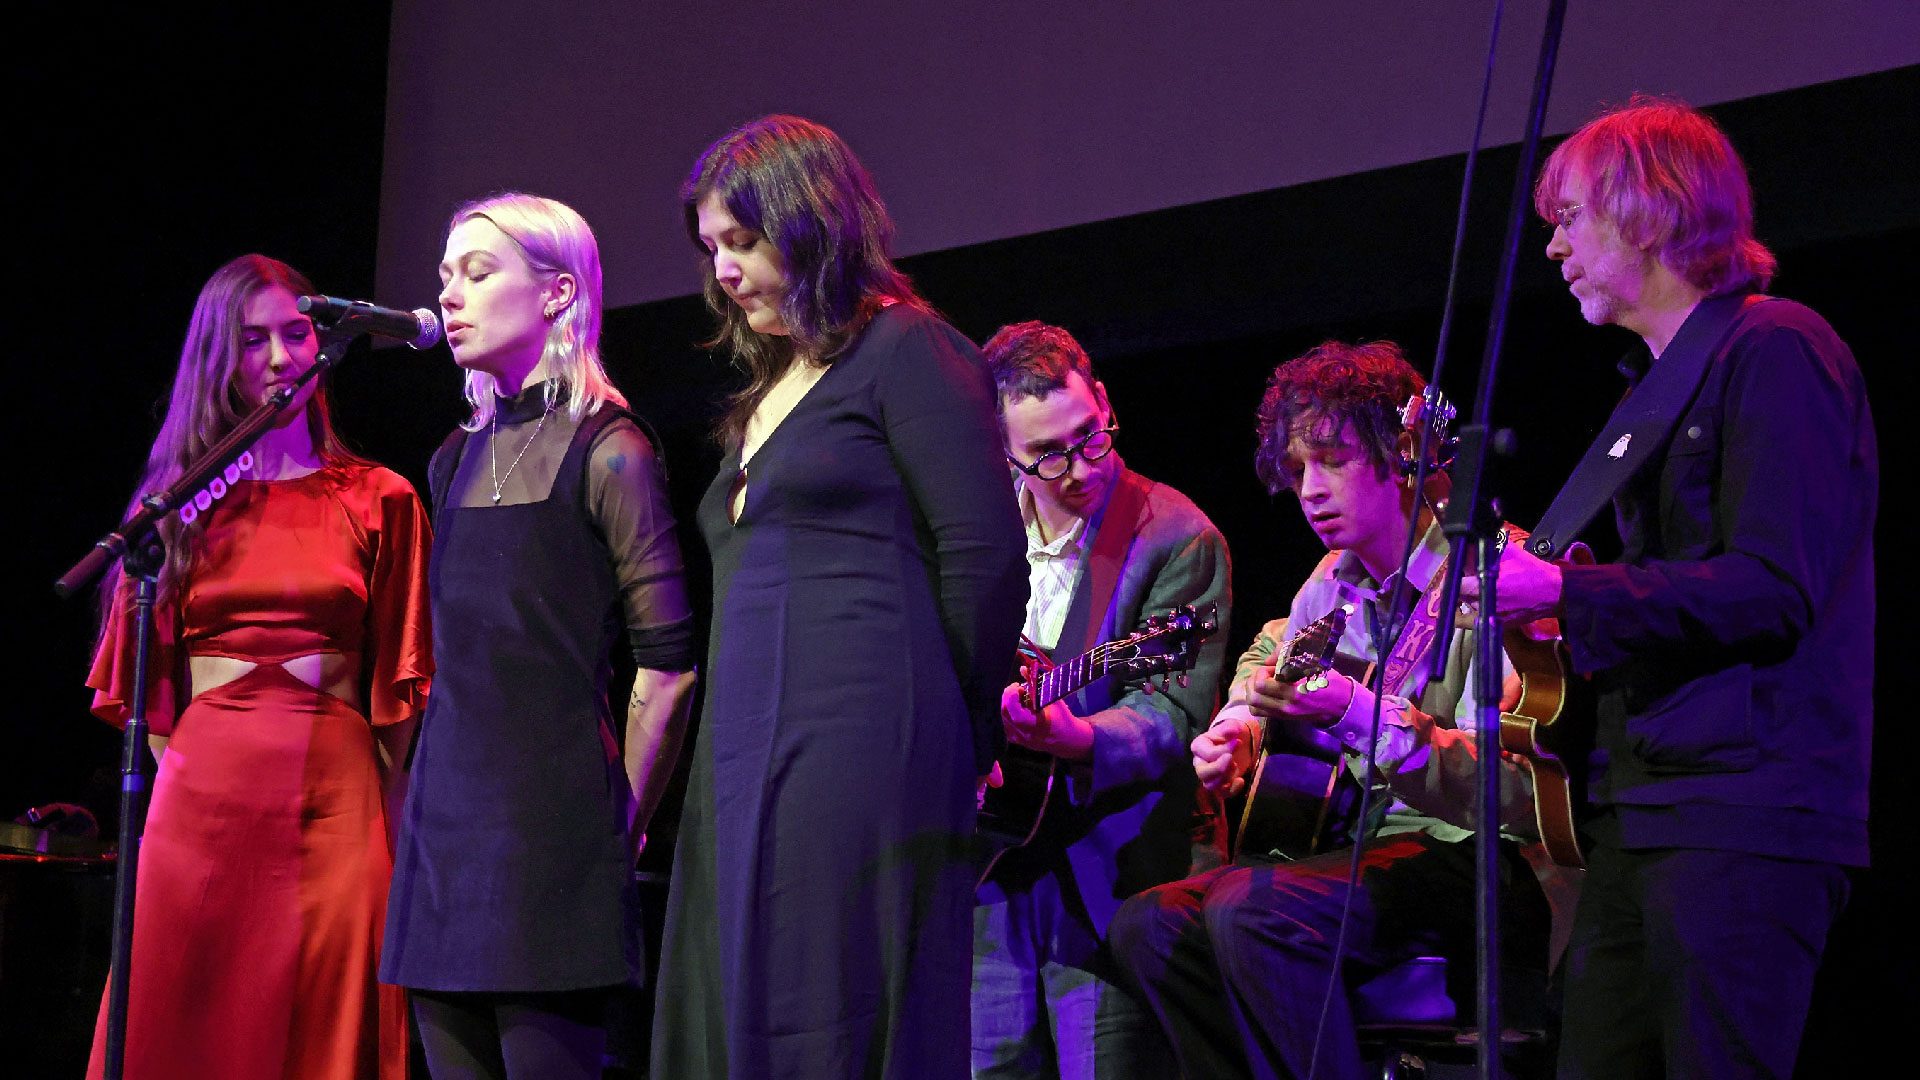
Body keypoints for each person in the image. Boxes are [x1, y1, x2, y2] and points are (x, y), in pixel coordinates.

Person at [1464, 96, 1876, 1080]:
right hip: (1645, 808)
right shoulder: (1648, 391)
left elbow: (1774, 585)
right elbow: (1662, 599)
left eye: (1567, 219)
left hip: (1747, 809)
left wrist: (1566, 597)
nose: (1552, 249)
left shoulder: (1776, 348)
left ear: (1648, 208)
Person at [650, 115, 1029, 1080]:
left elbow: (983, 559)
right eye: (712, 249)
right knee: (734, 988)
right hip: (745, 742)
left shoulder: (911, 351)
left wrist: (962, 728)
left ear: (813, 224)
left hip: (864, 735)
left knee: (830, 992)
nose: (726, 271)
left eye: (744, 241)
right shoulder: (774, 384)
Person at [1107, 341, 1551, 1080]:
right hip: (1375, 850)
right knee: (1148, 925)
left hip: (1486, 861)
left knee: (1254, 911)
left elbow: (1512, 797)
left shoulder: (1499, 576)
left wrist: (1354, 711)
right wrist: (1241, 727)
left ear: (1405, 455)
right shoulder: (1333, 582)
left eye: (1333, 461)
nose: (1309, 490)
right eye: (1298, 468)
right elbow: (1273, 652)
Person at [85, 253, 432, 1079]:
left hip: (338, 809)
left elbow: (401, 694)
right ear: (218, 359)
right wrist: (204, 783)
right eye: (252, 341)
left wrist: (387, 827)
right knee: (186, 1028)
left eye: (296, 334)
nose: (281, 359)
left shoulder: (379, 497)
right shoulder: (173, 508)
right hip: (202, 806)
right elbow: (153, 697)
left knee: (322, 1025)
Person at [381, 192, 699, 1079]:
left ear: (557, 294)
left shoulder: (612, 449)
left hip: (552, 837)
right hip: (446, 840)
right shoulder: (452, 457)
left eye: (478, 273)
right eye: (445, 276)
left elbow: (667, 668)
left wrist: (617, 822)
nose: (450, 295)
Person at [971, 321, 1231, 1079]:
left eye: (1091, 437)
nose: (1080, 468)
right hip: (992, 866)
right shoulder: (977, 538)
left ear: (1104, 401)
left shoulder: (1177, 538)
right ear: (1003, 453)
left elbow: (1170, 716)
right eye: (1048, 455)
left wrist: (1072, 739)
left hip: (1113, 874)